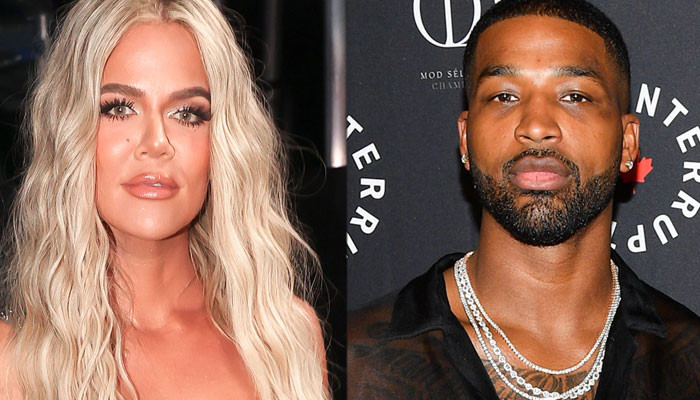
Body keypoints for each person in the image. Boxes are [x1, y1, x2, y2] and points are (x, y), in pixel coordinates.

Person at [348, 0, 700, 398]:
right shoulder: (356, 364)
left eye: (575, 96)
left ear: (628, 143)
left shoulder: (688, 364)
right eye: (504, 96)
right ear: (465, 138)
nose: (535, 126)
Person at [0, 0, 328, 398]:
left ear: (222, 143)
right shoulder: (15, 360)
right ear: (69, 131)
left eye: (187, 113)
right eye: (119, 108)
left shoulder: (285, 338)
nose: (156, 143)